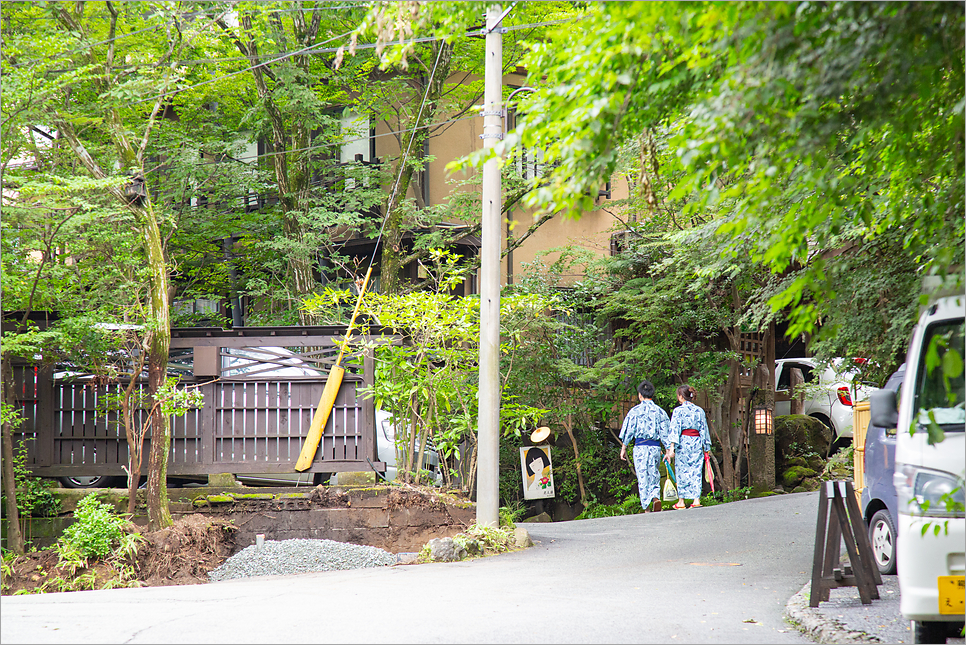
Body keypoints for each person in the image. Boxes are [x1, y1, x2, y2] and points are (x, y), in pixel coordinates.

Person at [618, 380, 672, 513]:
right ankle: (655, 497)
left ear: (640, 395)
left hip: (640, 447)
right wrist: (668, 451)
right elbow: (665, 433)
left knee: (643, 477)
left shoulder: (635, 411)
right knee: (654, 474)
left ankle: (647, 508)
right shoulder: (660, 412)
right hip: (655, 448)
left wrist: (624, 447)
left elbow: (629, 431)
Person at [668, 384, 711, 509]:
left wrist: (672, 448)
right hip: (697, 442)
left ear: (681, 397)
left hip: (683, 443)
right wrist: (706, 447)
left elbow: (675, 429)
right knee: (696, 471)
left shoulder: (678, 411)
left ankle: (681, 501)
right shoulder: (700, 411)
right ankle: (696, 499)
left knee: (682, 471)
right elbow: (704, 429)